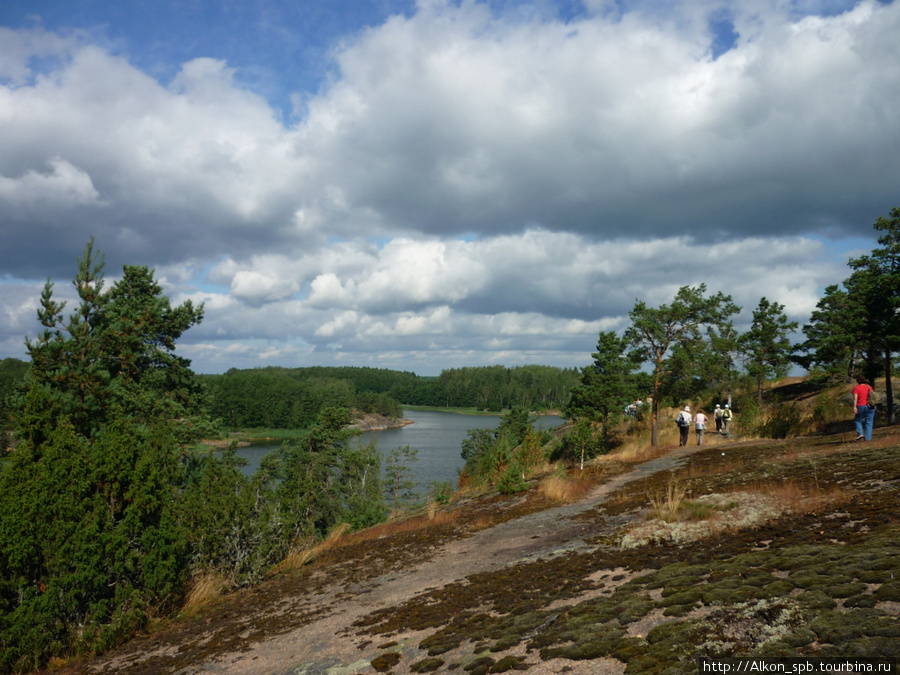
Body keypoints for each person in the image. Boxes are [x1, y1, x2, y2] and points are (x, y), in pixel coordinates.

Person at [852, 375, 876, 441]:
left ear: (858, 381)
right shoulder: (869, 387)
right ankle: (868, 439)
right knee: (869, 422)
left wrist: (854, 407)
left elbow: (855, 398)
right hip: (870, 406)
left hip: (861, 405)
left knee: (858, 420)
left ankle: (860, 433)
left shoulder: (856, 388)